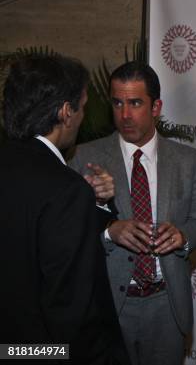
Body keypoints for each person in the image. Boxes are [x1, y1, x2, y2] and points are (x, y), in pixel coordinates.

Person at [69, 61, 196, 365]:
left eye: (135, 103)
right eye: (117, 103)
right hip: (108, 306)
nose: (125, 115)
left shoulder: (188, 161)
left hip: (167, 307)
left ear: (156, 106)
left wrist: (182, 235)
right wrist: (109, 231)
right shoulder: (85, 157)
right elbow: (67, 234)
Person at [0, 55, 129, 364]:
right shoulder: (66, 189)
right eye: (82, 106)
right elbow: (72, 313)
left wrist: (93, 205)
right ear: (65, 112)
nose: (84, 115)